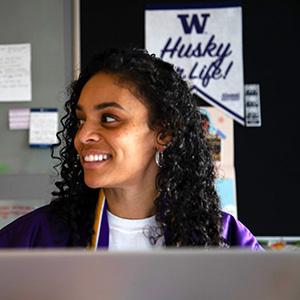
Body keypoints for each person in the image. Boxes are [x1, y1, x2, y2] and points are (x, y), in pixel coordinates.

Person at [0, 48, 262, 250]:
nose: (82, 136)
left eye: (109, 118)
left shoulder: (223, 240)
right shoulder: (37, 237)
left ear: (163, 133)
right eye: (81, 120)